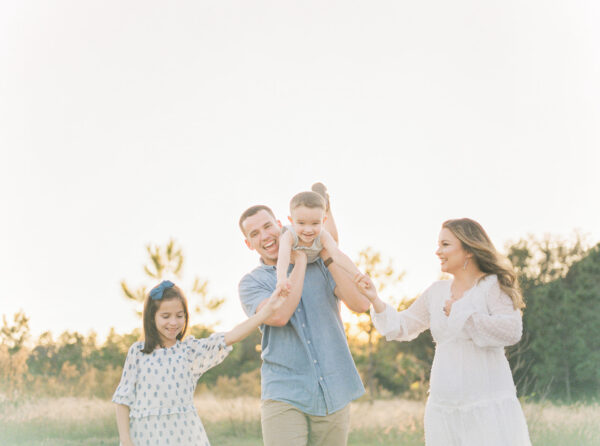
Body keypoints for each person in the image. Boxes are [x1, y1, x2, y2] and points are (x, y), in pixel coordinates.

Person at [355, 218, 532, 446]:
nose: (438, 251)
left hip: (485, 406)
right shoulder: (437, 292)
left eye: (445, 245)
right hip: (444, 408)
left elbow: (512, 330)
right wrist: (374, 298)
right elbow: (402, 326)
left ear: (468, 250)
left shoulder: (492, 285)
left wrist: (462, 314)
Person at [238, 187, 370, 446]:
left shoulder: (322, 263)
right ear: (249, 243)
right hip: (284, 391)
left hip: (333, 388)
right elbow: (279, 316)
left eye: (267, 226)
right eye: (255, 233)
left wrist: (327, 258)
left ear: (280, 224)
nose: (265, 236)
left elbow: (361, 304)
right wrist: (298, 263)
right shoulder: (251, 283)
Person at [113, 279, 287, 446]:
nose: (173, 322)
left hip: (184, 436)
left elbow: (230, 336)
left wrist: (264, 313)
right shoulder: (138, 352)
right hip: (145, 436)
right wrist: (126, 440)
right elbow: (123, 400)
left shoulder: (189, 351)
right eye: (166, 316)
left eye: (179, 316)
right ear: (152, 318)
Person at [276, 190, 364, 293]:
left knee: (332, 243)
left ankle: (326, 203)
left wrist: (358, 275)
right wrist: (281, 278)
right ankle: (322, 203)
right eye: (301, 223)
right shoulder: (289, 235)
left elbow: (338, 255)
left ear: (323, 221)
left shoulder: (322, 235)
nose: (308, 230)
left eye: (315, 223)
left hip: (316, 257)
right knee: (281, 241)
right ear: (291, 220)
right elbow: (283, 257)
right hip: (294, 261)